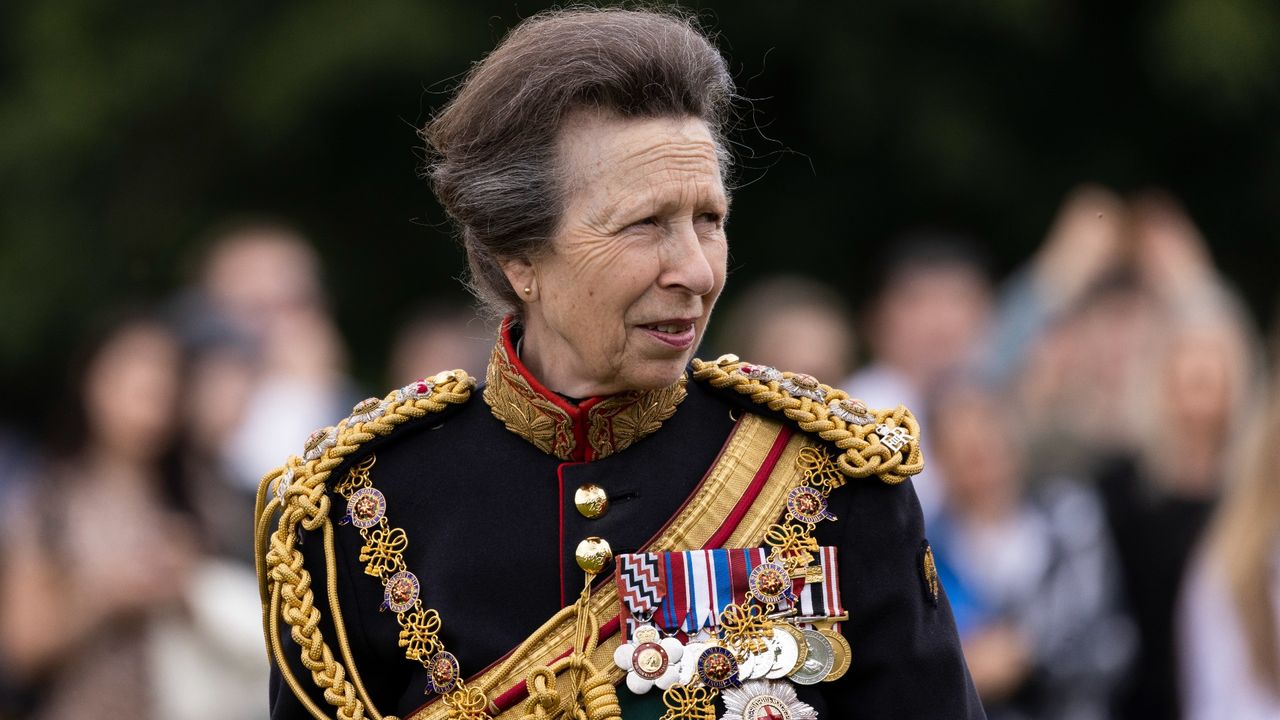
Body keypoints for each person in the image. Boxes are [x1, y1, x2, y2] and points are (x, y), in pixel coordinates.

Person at [256, 9, 982, 720]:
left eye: (710, 221)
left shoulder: (831, 474)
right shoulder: (355, 506)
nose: (696, 271)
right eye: (645, 225)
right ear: (520, 257)